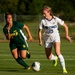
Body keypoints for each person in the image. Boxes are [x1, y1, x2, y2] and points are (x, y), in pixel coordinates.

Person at [38, 6, 72, 73]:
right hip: (47, 39)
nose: (43, 15)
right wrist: (40, 40)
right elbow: (39, 31)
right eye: (43, 13)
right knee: (48, 57)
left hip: (56, 37)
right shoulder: (43, 21)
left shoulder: (55, 19)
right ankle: (55, 58)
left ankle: (64, 69)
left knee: (57, 52)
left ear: (49, 12)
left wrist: (67, 35)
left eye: (44, 13)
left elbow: (65, 26)